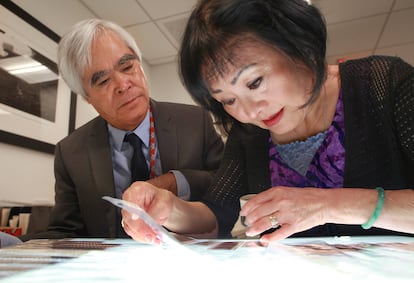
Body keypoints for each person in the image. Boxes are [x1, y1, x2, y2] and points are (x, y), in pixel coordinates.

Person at [121, 0, 414, 245]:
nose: (250, 113)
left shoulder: (385, 85)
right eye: (228, 100)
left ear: (297, 45)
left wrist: (328, 204)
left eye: (255, 82)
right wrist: (167, 208)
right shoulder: (248, 133)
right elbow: (215, 217)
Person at [19, 18, 224, 241]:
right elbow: (66, 232)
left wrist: (172, 183)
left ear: (141, 66)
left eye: (127, 67)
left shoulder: (194, 121)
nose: (123, 84)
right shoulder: (70, 152)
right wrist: (15, 247)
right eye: (104, 80)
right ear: (88, 97)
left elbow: (228, 186)